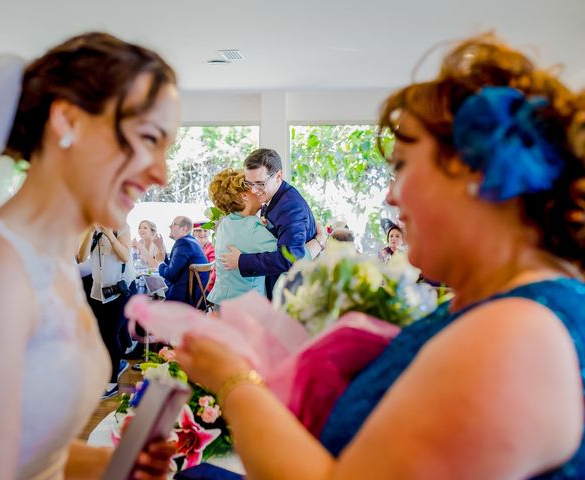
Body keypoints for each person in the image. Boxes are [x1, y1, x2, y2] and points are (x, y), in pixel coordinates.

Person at [173, 35, 585, 479]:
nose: (391, 195)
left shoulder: (516, 334)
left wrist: (232, 381)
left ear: (476, 177)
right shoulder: (500, 309)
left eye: (403, 166)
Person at [0, 32, 179, 479]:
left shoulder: (54, 264)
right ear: (68, 120)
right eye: (149, 138)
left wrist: (112, 464)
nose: (161, 173)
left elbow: (32, 455)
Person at [220, 148, 322, 299]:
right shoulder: (272, 197)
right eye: (249, 183)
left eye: (260, 183)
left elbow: (291, 258)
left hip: (294, 292)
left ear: (278, 176)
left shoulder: (291, 207)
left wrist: (242, 261)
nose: (254, 190)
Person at [76, 224, 137, 399]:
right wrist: (88, 230)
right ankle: (115, 365)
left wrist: (110, 235)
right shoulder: (88, 228)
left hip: (120, 288)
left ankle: (111, 383)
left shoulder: (122, 227)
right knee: (101, 333)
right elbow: (81, 257)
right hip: (99, 290)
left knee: (111, 334)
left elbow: (125, 256)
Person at [155, 216, 210, 304]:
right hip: (196, 297)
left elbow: (171, 276)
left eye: (173, 224)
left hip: (184, 300)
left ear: (184, 229)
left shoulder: (183, 244)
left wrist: (159, 262)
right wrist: (161, 249)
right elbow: (174, 268)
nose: (170, 227)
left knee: (147, 297)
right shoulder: (191, 241)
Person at [192, 221, 216, 291]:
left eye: (205, 230)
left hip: (206, 286)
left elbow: (215, 267)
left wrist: (209, 281)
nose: (202, 233)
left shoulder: (212, 247)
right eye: (199, 230)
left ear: (209, 233)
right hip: (196, 283)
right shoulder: (194, 247)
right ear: (194, 233)